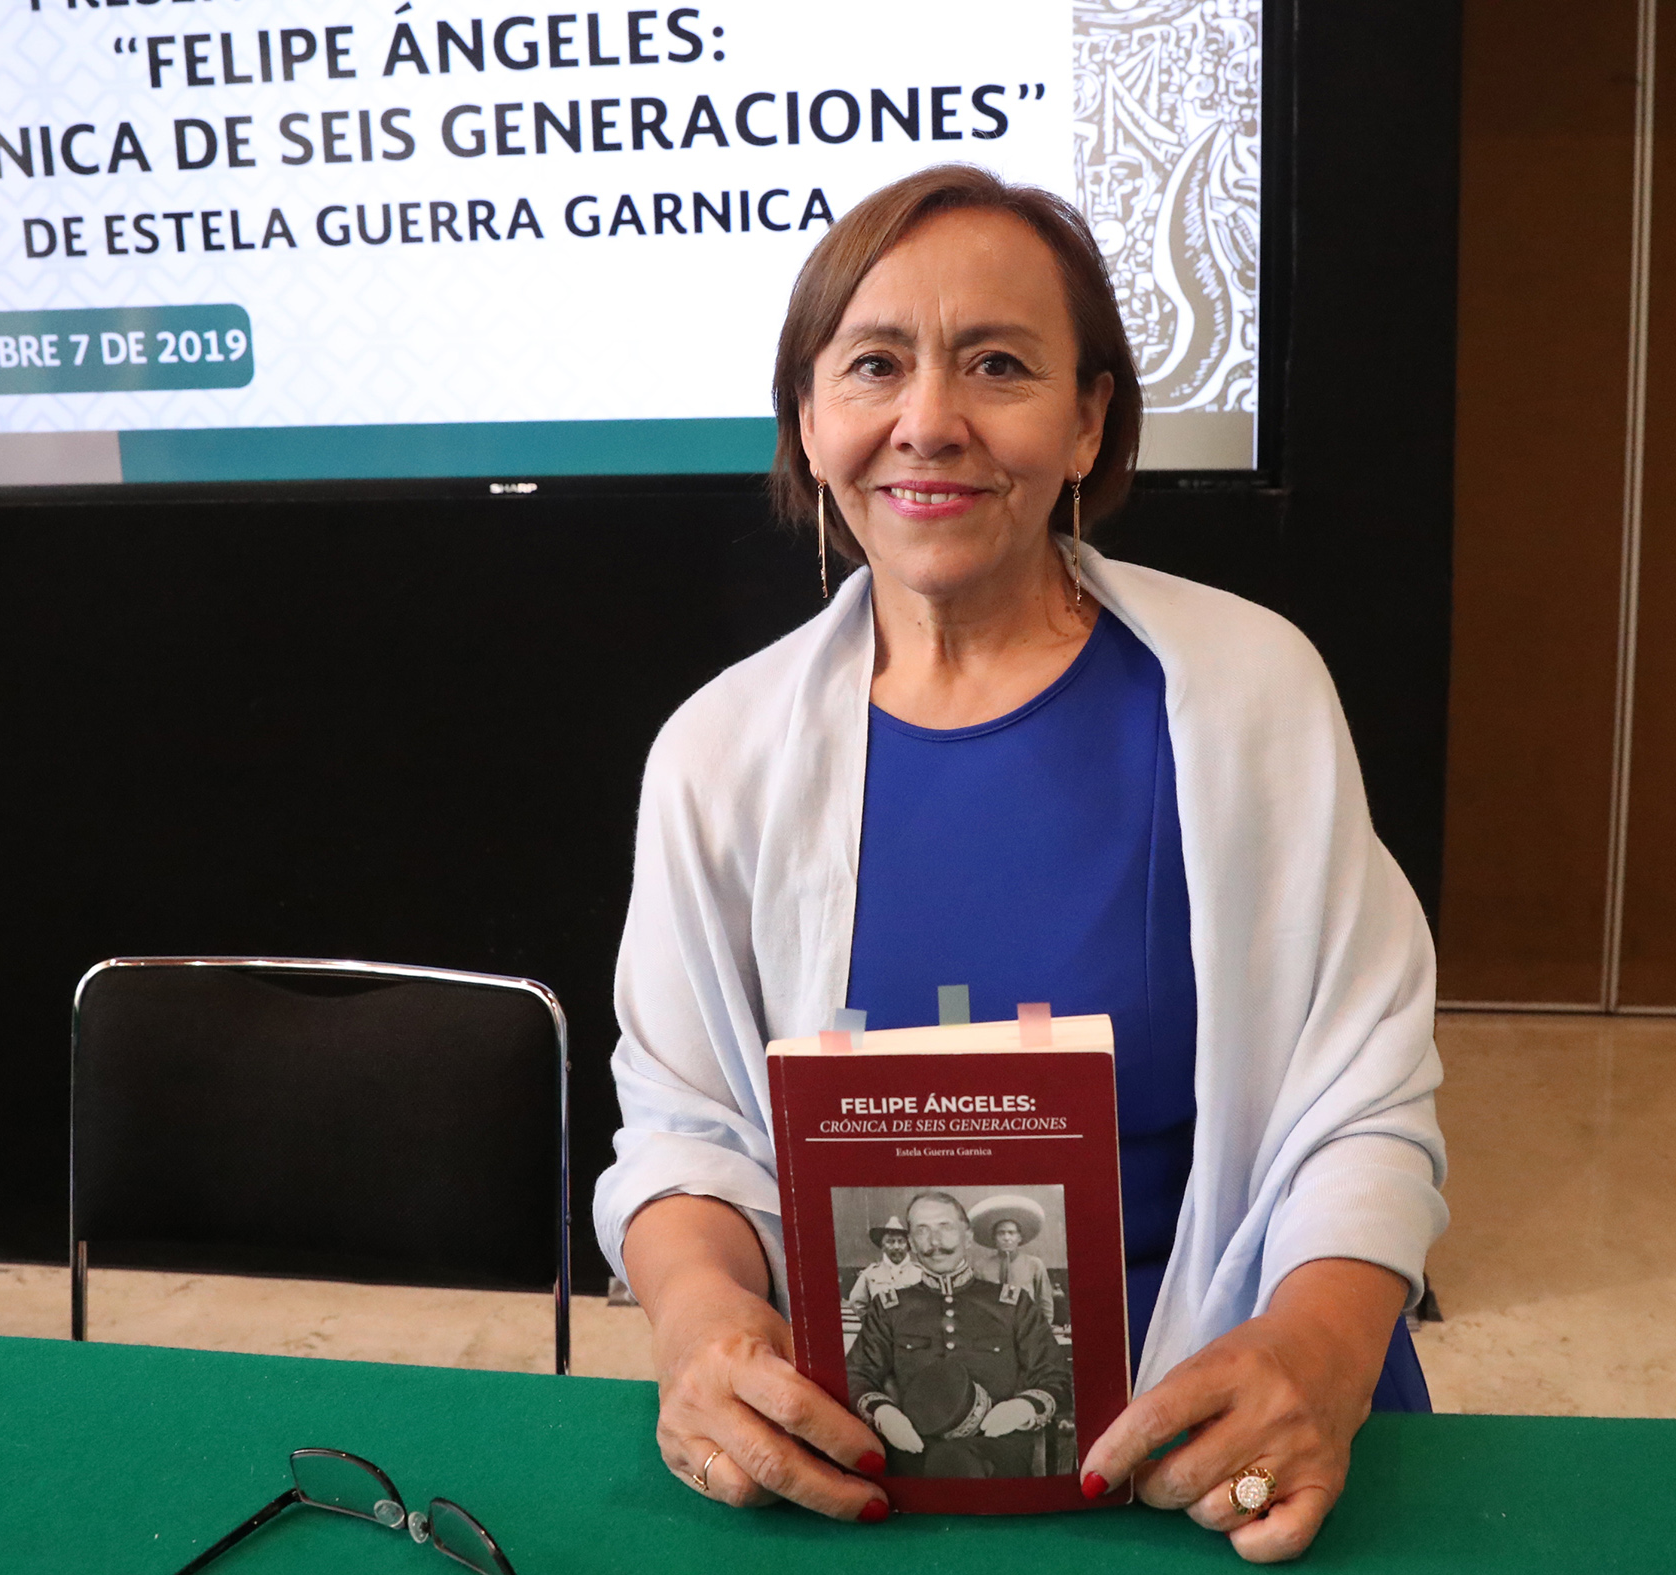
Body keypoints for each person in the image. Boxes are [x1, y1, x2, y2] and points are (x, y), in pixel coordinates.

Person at [597, 163, 1446, 1563]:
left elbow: (1365, 1102)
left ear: (1087, 419)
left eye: (997, 364)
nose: (929, 420)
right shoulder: (716, 750)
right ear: (809, 418)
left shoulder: (1253, 692)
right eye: (874, 365)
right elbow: (684, 1126)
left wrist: (1321, 1349)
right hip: (866, 1441)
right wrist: (697, 1320)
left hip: (1239, 1419)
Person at [844, 1193, 1068, 1478]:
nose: (935, 1242)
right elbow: (856, 1374)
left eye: (945, 1227)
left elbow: (1055, 1374)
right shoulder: (889, 1308)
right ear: (911, 1242)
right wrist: (883, 1414)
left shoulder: (1012, 1305)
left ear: (968, 1237)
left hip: (997, 1452)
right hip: (913, 1448)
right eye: (922, 1230)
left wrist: (1023, 1408)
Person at [970, 1196, 1057, 1318]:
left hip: (1026, 1324)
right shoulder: (982, 1267)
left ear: (1019, 1237)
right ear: (994, 1238)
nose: (1006, 1238)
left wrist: (1044, 1327)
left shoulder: (1034, 1264)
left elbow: (1045, 1303)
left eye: (1011, 1233)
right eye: (1001, 1233)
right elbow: (977, 1303)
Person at [845, 1215, 922, 1312]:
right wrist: (872, 1320)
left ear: (908, 1245)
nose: (896, 1247)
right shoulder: (870, 1274)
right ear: (882, 1246)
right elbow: (856, 1302)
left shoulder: (921, 1273)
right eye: (890, 1242)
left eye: (901, 1241)